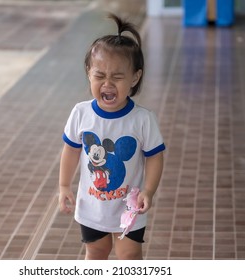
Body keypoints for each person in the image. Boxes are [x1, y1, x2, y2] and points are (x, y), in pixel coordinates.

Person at [58, 13, 165, 260]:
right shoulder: (81, 113)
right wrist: (64, 185)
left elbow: (155, 157)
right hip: (92, 206)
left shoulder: (142, 119)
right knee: (96, 252)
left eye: (117, 77)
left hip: (130, 206)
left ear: (135, 78)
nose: (107, 83)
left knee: (129, 256)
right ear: (88, 73)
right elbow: (71, 150)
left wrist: (149, 190)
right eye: (99, 76)